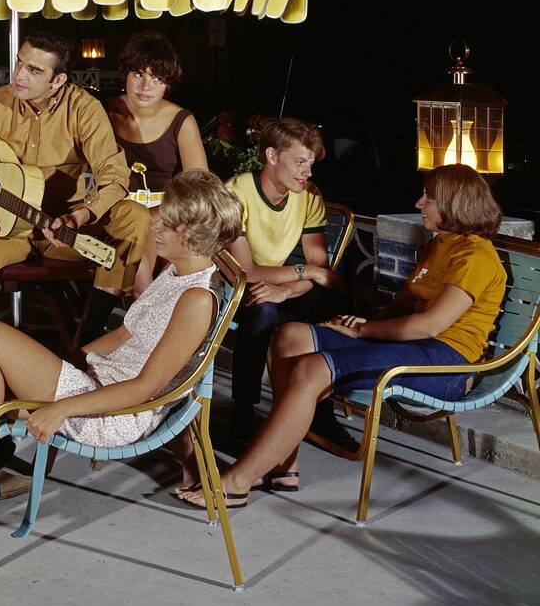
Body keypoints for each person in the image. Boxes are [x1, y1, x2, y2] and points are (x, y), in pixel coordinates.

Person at [0, 170, 242, 553]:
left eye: (169, 223)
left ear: (194, 237)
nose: (156, 225)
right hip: (96, 383)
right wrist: (65, 361)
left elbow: (145, 388)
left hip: (115, 414)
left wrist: (63, 407)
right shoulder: (177, 272)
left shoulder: (196, 299)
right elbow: (126, 334)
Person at [183, 164, 506, 508]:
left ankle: (236, 483)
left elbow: (428, 326)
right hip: (414, 347)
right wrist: (358, 328)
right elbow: (403, 305)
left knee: (312, 369)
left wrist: (365, 331)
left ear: (454, 204)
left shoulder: (476, 256)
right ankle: (282, 463)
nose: (418, 203)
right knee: (291, 336)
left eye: (428, 197)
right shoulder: (438, 245)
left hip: (448, 363)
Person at [0, 29, 149, 340]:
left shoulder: (83, 108)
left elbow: (114, 174)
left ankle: (88, 339)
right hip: (3, 223)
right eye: (19, 63)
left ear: (57, 81)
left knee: (134, 216)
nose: (19, 75)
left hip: (65, 225)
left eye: (34, 70)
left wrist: (81, 215)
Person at [224, 117, 353, 450]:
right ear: (271, 156)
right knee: (263, 309)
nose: (307, 172)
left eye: (310, 164)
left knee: (333, 300)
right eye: (300, 162)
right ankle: (243, 414)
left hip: (283, 286)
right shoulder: (236, 193)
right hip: (235, 287)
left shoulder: (309, 195)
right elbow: (247, 271)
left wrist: (289, 286)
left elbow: (320, 265)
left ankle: (321, 411)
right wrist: (304, 274)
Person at [107, 31, 208, 293]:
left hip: (168, 211)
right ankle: (141, 313)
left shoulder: (181, 121)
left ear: (167, 83)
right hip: (118, 209)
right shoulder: (104, 113)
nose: (146, 86)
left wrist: (159, 214)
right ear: (125, 74)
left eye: (157, 78)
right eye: (139, 74)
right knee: (139, 245)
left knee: (189, 263)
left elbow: (198, 188)